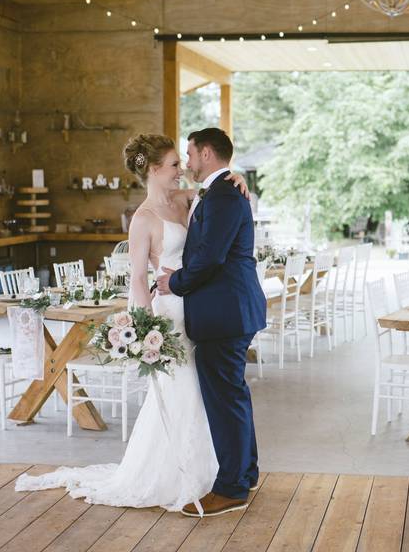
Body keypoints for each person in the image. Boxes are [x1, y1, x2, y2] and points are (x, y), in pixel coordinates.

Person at [14, 133, 251, 514]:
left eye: (184, 161)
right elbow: (139, 279)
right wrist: (144, 330)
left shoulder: (189, 199)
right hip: (171, 315)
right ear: (155, 170)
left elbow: (220, 193)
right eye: (175, 164)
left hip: (201, 310)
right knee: (185, 393)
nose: (183, 169)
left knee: (209, 396)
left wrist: (236, 174)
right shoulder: (143, 218)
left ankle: (222, 476)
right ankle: (183, 476)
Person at [156, 127, 266, 517]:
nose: (186, 162)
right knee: (232, 395)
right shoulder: (222, 190)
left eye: (189, 154)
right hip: (231, 310)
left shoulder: (222, 195)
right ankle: (246, 473)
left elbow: (210, 259)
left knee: (225, 400)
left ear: (205, 153)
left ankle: (232, 488)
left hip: (225, 312)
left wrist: (175, 282)